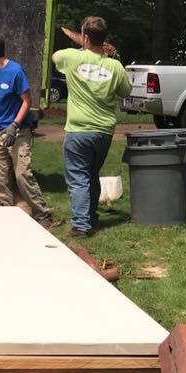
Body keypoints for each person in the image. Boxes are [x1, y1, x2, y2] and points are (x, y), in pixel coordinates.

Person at [53, 16, 132, 237]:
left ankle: (81, 225)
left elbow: (54, 56)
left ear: (85, 37)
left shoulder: (71, 58)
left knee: (78, 177)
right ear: (104, 39)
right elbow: (126, 91)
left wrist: (82, 44)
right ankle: (92, 218)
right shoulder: (114, 66)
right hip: (103, 132)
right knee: (91, 173)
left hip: (78, 131)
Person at [0, 32, 52, 227]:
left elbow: (27, 102)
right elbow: (0, 104)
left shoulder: (16, 71)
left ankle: (42, 213)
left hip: (17, 133)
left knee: (22, 174)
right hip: (1, 131)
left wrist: (14, 126)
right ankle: (5, 211)